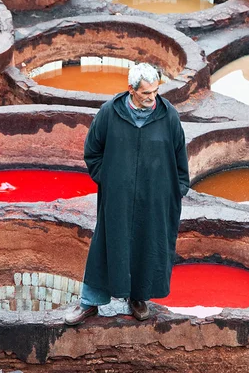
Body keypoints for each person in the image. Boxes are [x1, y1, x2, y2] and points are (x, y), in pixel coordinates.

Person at [64, 63, 190, 325]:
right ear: (131, 89)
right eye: (146, 93)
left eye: (155, 92)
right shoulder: (110, 113)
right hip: (117, 200)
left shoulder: (169, 117)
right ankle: (90, 302)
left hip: (155, 201)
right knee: (106, 246)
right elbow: (92, 152)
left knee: (147, 247)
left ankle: (138, 298)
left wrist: (175, 192)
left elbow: (181, 160)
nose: (152, 98)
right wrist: (109, 181)